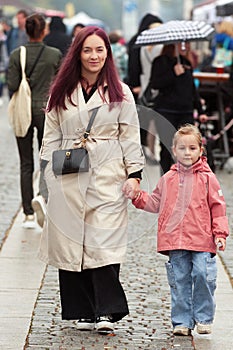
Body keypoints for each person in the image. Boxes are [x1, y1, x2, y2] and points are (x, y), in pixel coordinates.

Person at [38, 26, 144, 333]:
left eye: (99, 50)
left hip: (108, 173)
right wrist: (50, 171)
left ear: (108, 53)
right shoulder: (61, 89)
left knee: (103, 241)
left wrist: (134, 174)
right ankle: (81, 309)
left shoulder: (120, 91)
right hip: (69, 170)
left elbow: (130, 135)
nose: (94, 56)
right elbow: (52, 133)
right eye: (87, 50)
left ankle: (107, 312)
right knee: (72, 242)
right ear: (77, 53)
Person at [126, 123, 229, 336]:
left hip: (201, 239)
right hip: (175, 240)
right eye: (182, 148)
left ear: (201, 150)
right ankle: (181, 321)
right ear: (174, 151)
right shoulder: (167, 179)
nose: (187, 152)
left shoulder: (208, 178)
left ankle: (203, 317)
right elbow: (155, 202)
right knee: (179, 281)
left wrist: (220, 233)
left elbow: (218, 207)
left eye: (192, 148)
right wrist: (137, 197)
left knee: (202, 275)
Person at [7, 13, 62, 228]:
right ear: (44, 31)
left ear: (26, 31)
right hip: (46, 110)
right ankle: (43, 198)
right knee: (46, 159)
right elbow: (59, 83)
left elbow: (11, 85)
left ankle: (28, 213)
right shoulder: (54, 54)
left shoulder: (16, 54)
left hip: (23, 111)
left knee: (25, 162)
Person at [149, 42, 207, 174]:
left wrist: (201, 110)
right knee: (166, 148)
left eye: (186, 44)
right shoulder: (160, 61)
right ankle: (166, 180)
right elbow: (155, 84)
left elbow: (192, 89)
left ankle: (188, 180)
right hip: (166, 110)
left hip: (185, 111)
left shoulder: (186, 62)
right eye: (181, 44)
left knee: (188, 148)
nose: (184, 47)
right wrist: (173, 74)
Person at [127, 13, 163, 164]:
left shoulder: (136, 41)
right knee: (149, 119)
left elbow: (132, 67)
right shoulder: (159, 43)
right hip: (148, 86)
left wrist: (134, 84)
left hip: (141, 85)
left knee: (142, 118)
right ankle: (147, 149)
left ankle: (144, 149)